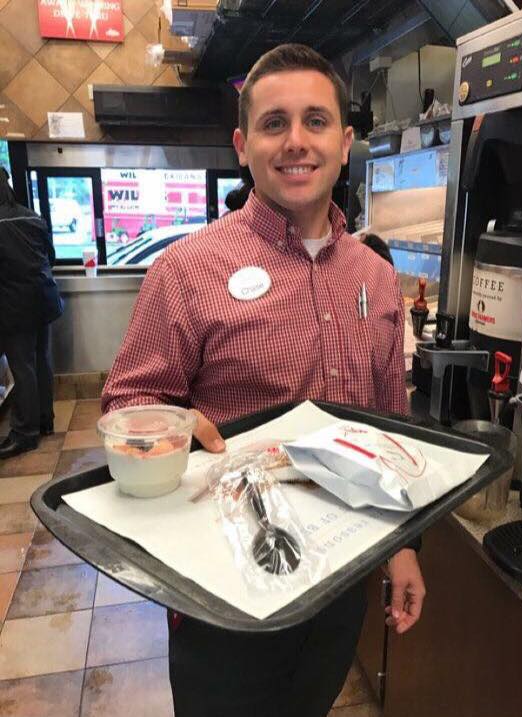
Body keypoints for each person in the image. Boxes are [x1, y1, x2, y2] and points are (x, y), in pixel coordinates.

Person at [102, 44, 425, 717]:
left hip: (340, 577)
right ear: (244, 145)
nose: (296, 141)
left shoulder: (374, 275)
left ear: (344, 142)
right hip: (222, 590)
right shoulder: (186, 271)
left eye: (315, 120)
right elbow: (127, 404)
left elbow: (391, 418)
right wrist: (171, 423)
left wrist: (403, 548)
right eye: (275, 124)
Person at [0, 168, 64, 458]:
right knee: (42, 361)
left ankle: (25, 433)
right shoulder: (32, 216)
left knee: (22, 367)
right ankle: (44, 421)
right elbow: (50, 257)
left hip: (14, 306)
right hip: (44, 300)